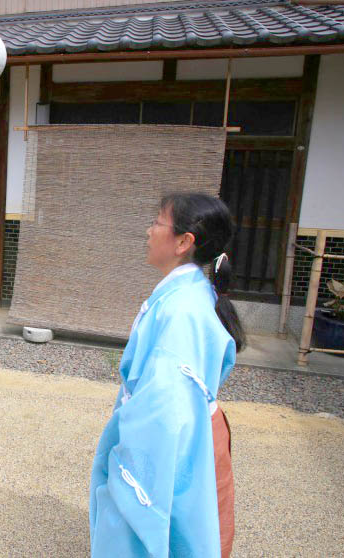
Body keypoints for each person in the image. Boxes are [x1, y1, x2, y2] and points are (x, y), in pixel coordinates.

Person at [89, 193, 244, 557]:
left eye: (157, 222)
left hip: (175, 439)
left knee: (150, 526)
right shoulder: (189, 296)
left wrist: (129, 461)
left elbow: (165, 407)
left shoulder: (181, 311)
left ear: (183, 241)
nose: (148, 230)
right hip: (193, 432)